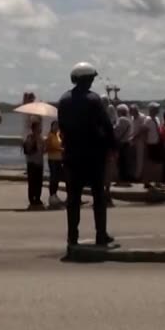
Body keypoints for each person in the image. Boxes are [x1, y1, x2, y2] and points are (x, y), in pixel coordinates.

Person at [57, 62, 116, 249]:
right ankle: (101, 234)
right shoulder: (94, 99)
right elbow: (106, 126)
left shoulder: (64, 100)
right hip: (93, 155)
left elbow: (62, 126)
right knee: (98, 196)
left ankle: (72, 237)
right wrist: (113, 146)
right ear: (87, 80)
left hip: (72, 155)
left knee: (73, 199)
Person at [23, 118, 46, 210]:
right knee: (32, 182)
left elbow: (43, 150)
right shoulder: (29, 138)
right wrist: (34, 141)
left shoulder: (41, 138)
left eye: (40, 127)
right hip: (32, 162)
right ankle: (32, 199)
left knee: (39, 182)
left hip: (39, 162)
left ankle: (38, 198)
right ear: (33, 129)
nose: (39, 129)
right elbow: (28, 150)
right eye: (38, 127)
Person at [142, 103, 163, 190]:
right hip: (150, 144)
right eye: (156, 109)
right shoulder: (147, 120)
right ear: (152, 110)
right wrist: (145, 144)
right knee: (150, 164)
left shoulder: (157, 119)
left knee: (157, 164)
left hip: (157, 143)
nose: (158, 110)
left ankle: (157, 182)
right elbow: (144, 133)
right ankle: (147, 182)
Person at [113, 104, 133, 185]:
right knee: (125, 162)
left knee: (121, 162)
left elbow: (116, 130)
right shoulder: (129, 120)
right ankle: (125, 179)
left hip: (121, 143)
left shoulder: (121, 120)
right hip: (127, 142)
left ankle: (121, 179)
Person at [46, 120, 64, 208]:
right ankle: (51, 195)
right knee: (53, 177)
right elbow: (49, 147)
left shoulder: (58, 135)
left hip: (58, 159)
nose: (56, 127)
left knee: (57, 178)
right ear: (52, 126)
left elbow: (60, 145)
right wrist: (59, 149)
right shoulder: (50, 136)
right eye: (55, 126)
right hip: (52, 159)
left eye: (57, 126)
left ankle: (55, 195)